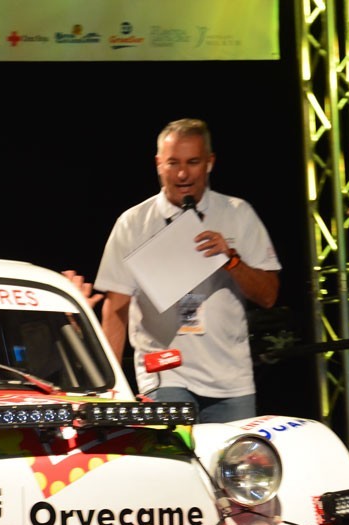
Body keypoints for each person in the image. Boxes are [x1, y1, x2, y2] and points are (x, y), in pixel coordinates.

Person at [89, 118, 280, 423]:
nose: (182, 174)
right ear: (157, 164)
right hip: (164, 373)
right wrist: (110, 385)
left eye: (192, 162)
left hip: (231, 379)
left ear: (210, 162)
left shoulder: (237, 214)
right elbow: (116, 308)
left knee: (229, 469)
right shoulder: (133, 222)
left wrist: (231, 260)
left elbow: (268, 295)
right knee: (177, 464)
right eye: (172, 163)